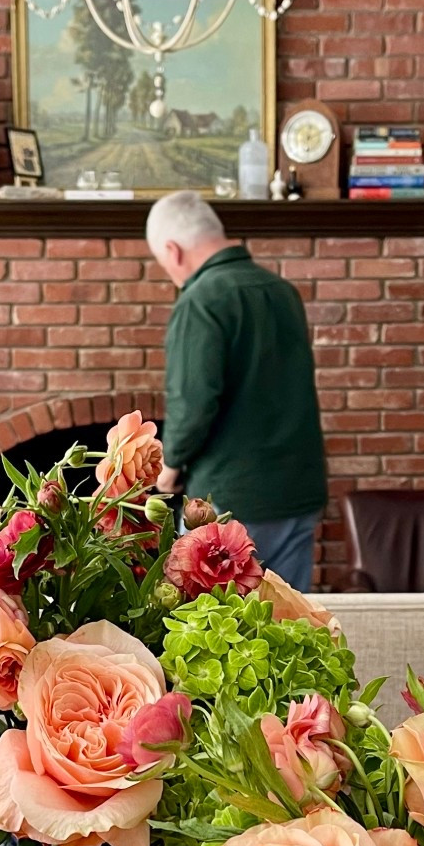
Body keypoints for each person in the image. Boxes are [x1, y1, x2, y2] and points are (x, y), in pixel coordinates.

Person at [146, 190, 327, 591]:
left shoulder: (201, 300)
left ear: (173, 251)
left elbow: (193, 401)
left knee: (214, 634)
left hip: (233, 497)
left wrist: (169, 470)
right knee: (289, 623)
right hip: (297, 488)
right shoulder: (282, 291)